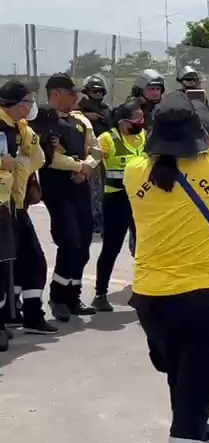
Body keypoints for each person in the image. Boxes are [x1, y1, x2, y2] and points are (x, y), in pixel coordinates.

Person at [124, 91, 209, 443]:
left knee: (183, 383)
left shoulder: (133, 172)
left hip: (152, 300)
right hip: (205, 298)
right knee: (194, 403)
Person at [30, 73, 101, 321]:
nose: (76, 98)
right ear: (57, 94)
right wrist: (79, 167)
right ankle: (58, 297)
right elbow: (52, 158)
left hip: (81, 188)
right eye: (72, 93)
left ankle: (74, 294)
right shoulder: (45, 121)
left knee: (83, 245)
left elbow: (96, 149)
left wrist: (87, 167)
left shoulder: (80, 121)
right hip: (59, 191)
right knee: (69, 242)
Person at [0, 80, 57, 344]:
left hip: (16, 205)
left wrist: (20, 165)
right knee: (2, 267)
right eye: (27, 101)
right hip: (2, 206)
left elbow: (38, 158)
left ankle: (31, 314)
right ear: (14, 104)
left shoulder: (21, 128)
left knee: (33, 259)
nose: (31, 106)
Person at [92, 100, 146, 311]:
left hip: (140, 200)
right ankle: (100, 293)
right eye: (137, 119)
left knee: (144, 249)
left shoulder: (143, 137)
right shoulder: (108, 139)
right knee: (111, 248)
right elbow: (93, 161)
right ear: (124, 123)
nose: (142, 122)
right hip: (116, 200)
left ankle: (143, 291)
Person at [77, 75, 111, 237]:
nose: (97, 93)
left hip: (105, 154)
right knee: (92, 190)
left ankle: (102, 221)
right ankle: (93, 221)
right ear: (87, 91)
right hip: (88, 155)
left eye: (99, 91)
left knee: (103, 190)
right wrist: (85, 116)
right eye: (93, 91)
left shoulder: (106, 109)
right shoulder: (80, 109)